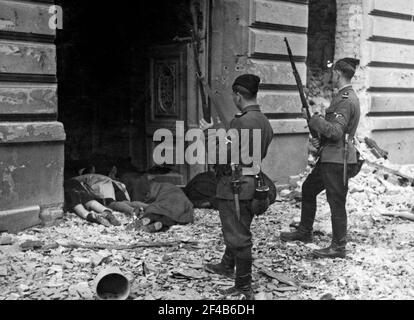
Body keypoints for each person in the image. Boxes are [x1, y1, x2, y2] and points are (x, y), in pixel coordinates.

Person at [199, 74, 273, 300]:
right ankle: (226, 265)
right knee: (239, 227)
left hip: (235, 185)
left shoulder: (240, 122)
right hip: (254, 183)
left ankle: (243, 286)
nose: (233, 98)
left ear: (239, 96)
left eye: (233, 95)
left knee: (238, 235)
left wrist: (208, 134)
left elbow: (221, 158)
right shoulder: (264, 121)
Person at [280, 58, 361, 259]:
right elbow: (334, 133)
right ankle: (305, 231)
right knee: (308, 189)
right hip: (330, 156)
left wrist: (315, 120)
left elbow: (335, 132)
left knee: (336, 202)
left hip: (337, 160)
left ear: (338, 74)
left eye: (333, 72)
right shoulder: (342, 97)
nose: (331, 76)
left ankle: (338, 247)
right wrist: (320, 139)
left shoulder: (346, 100)